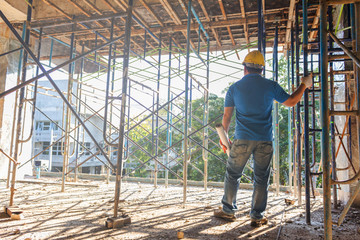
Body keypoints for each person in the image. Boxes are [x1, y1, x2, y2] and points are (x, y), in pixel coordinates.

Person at [214, 50, 312, 227]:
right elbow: (290, 102)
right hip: (265, 139)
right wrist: (304, 85)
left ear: (244, 68)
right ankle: (257, 216)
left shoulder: (234, 88)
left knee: (233, 174)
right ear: (261, 70)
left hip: (242, 138)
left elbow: (227, 117)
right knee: (261, 178)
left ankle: (228, 211)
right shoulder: (270, 86)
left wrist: (224, 139)